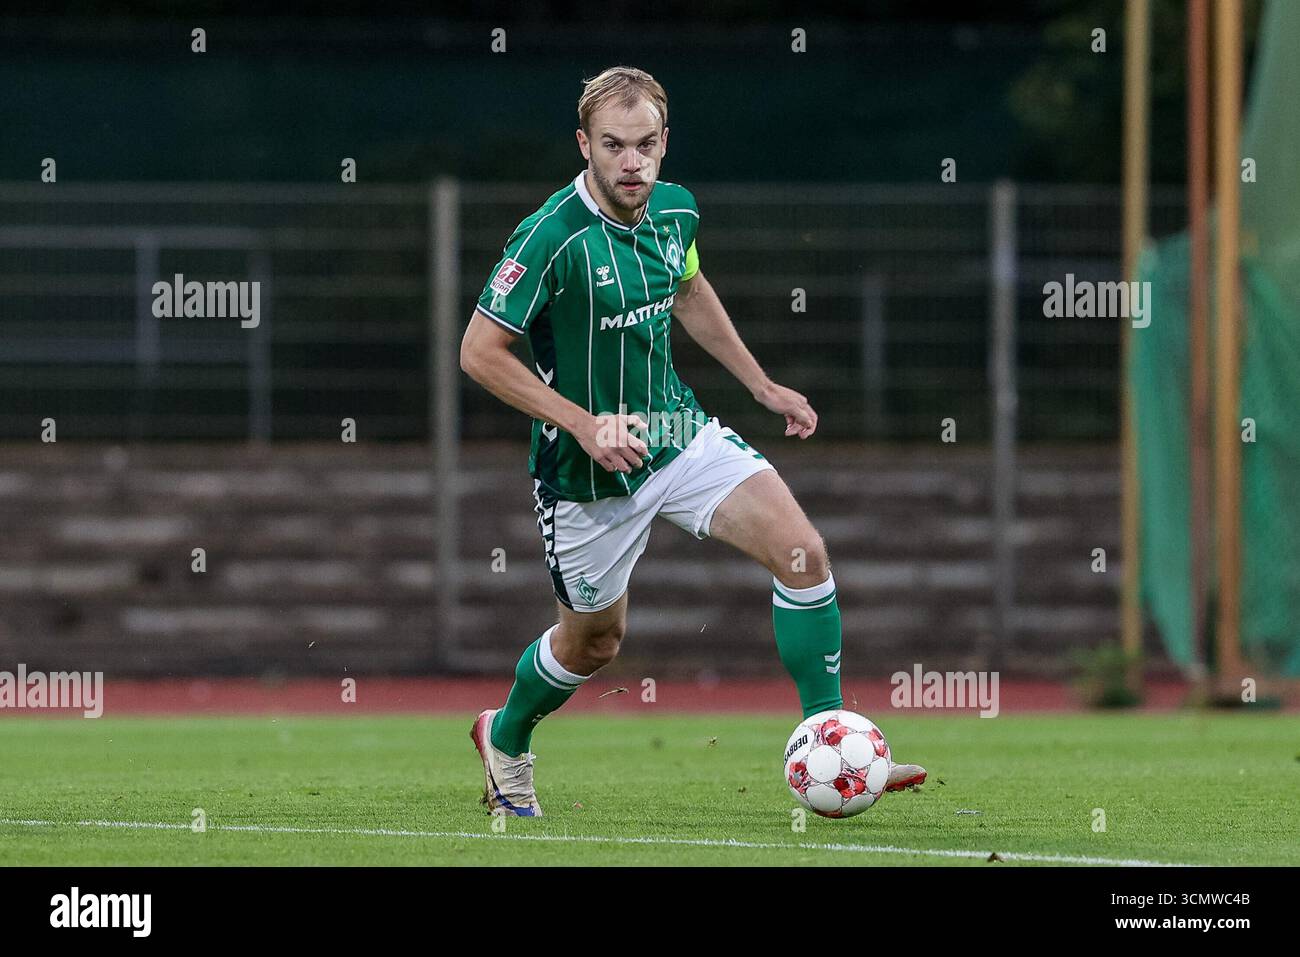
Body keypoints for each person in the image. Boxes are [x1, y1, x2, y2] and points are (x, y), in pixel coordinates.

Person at [460, 66, 925, 816]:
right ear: (585, 145)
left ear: (665, 142)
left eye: (646, 144)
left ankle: (833, 736)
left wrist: (760, 384)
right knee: (594, 645)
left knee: (801, 550)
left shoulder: (675, 212)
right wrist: (583, 421)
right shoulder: (550, 236)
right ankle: (506, 737)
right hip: (586, 475)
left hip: (678, 434)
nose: (632, 162)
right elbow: (478, 352)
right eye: (613, 145)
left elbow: (688, 289)